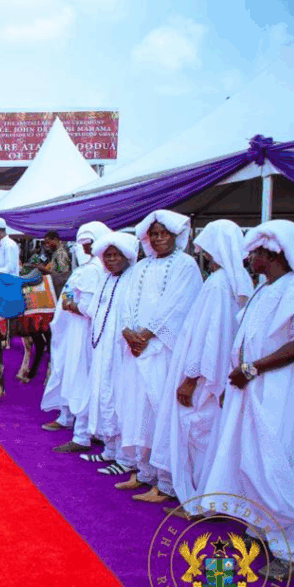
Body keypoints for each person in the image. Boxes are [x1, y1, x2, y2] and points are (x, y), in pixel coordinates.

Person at [197, 220, 294, 581]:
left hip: (279, 391)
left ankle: (292, 553)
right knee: (250, 459)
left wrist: (253, 368)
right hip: (250, 388)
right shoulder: (266, 289)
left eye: (254, 253)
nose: (248, 259)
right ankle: (262, 532)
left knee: (276, 462)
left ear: (273, 253)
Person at [147, 220, 252, 515]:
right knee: (209, 435)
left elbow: (210, 338)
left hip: (206, 374)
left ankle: (203, 502)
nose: (202, 252)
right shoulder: (236, 279)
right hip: (218, 372)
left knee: (199, 436)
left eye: (205, 247)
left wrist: (191, 377)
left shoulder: (218, 284)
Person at [114, 210, 202, 501]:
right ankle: (143, 472)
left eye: (164, 233)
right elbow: (126, 303)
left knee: (160, 412)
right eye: (154, 233)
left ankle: (164, 481)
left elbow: (179, 306)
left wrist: (147, 335)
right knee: (136, 409)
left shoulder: (186, 265)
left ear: (176, 235)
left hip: (164, 351)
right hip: (136, 351)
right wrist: (129, 333)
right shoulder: (141, 267)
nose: (159, 238)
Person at [43, 221, 110, 446]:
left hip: (83, 333)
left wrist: (71, 306)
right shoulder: (88, 267)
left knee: (81, 375)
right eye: (83, 244)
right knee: (68, 371)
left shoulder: (95, 270)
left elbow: (88, 307)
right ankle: (68, 417)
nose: (86, 249)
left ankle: (83, 433)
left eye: (89, 243)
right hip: (71, 330)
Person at [82, 231, 139, 472]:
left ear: (127, 257)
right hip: (102, 349)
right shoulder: (107, 279)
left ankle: (126, 460)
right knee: (103, 397)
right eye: (108, 256)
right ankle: (110, 450)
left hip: (121, 351)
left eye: (117, 255)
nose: (112, 260)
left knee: (119, 400)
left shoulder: (133, 279)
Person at [37, 229, 72, 295]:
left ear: (55, 240)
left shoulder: (60, 253)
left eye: (49, 242)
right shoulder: (56, 252)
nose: (48, 245)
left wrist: (45, 270)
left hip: (59, 289)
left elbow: (63, 275)